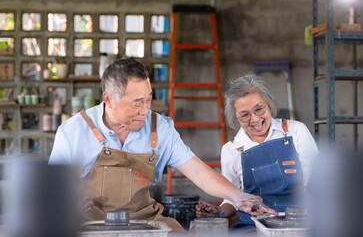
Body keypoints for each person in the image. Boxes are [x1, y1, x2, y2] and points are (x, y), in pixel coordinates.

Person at [49, 59, 277, 231]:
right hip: (90, 224)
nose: (145, 111)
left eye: (148, 99)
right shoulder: (73, 132)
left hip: (144, 221)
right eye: (137, 103)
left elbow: (196, 170)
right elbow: (51, 194)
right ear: (108, 99)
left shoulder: (161, 127)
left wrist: (236, 195)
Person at [196, 73, 318, 230]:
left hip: (300, 222)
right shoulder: (232, 150)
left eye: (259, 109)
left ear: (269, 104)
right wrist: (219, 212)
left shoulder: (296, 132)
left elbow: (317, 185)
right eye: (245, 115)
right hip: (254, 226)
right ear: (235, 118)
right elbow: (233, 199)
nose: (254, 119)